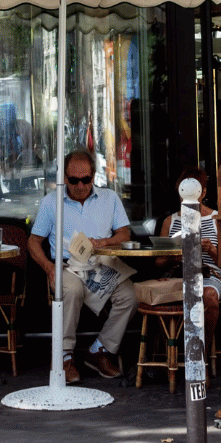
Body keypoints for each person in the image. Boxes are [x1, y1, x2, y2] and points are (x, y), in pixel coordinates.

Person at [27, 149, 133, 385]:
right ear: (65, 178)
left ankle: (100, 351)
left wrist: (103, 242)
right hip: (67, 265)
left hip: (100, 263)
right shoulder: (51, 202)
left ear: (93, 176)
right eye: (73, 180)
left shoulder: (109, 198)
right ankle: (64, 357)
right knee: (72, 290)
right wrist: (48, 269)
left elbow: (124, 233)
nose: (80, 185)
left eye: (85, 179)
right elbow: (33, 242)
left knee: (129, 296)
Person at [158, 166, 221, 320]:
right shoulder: (170, 221)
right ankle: (171, 343)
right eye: (184, 193)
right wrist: (174, 256)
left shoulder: (217, 220)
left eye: (193, 193)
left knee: (207, 295)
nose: (187, 199)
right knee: (156, 296)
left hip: (211, 276)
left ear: (203, 192)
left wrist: (210, 249)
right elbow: (159, 262)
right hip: (178, 275)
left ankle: (205, 345)